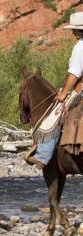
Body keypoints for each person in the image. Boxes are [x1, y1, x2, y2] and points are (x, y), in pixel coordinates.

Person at [24, 11, 83, 169]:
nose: (72, 32)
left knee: (55, 114)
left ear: (77, 31)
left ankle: (43, 155)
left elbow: (75, 73)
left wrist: (63, 93)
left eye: (74, 30)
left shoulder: (80, 46)